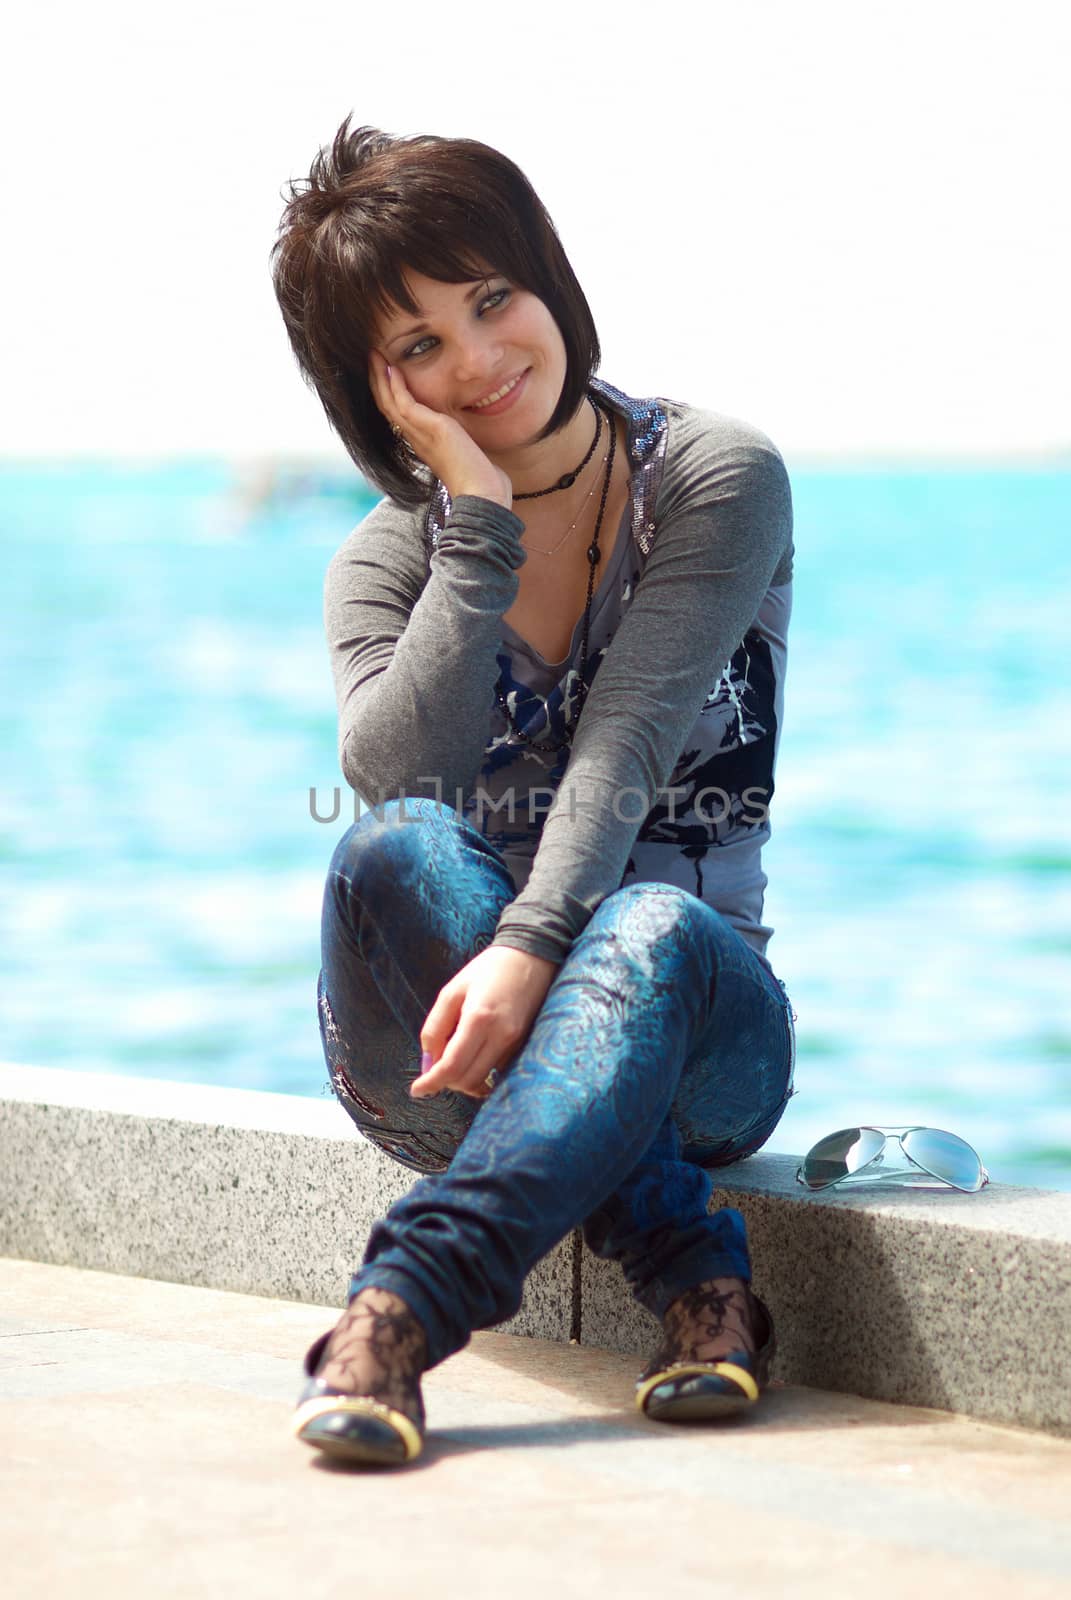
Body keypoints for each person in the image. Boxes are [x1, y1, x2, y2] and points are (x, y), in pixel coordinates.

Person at [272, 116, 797, 1468]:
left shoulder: (712, 479)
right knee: (389, 842)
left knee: (651, 928)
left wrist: (530, 946)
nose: (481, 358)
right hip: (437, 1065)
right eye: (419, 347)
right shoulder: (382, 566)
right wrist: (476, 522)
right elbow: (398, 779)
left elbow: (625, 750)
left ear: (548, 280)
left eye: (493, 299)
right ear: (372, 389)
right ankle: (696, 1270)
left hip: (698, 1040)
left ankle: (401, 1309)